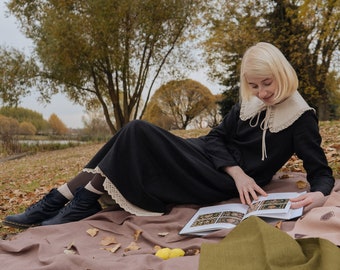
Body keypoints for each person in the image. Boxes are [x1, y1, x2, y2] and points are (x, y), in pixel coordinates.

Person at [3, 42, 335, 229]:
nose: (261, 93)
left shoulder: (300, 117)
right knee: (133, 135)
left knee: (136, 131)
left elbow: (320, 171)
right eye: (253, 85)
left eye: (268, 84)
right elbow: (216, 137)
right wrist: (237, 171)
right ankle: (65, 199)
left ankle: (70, 201)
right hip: (214, 161)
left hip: (214, 180)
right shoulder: (246, 102)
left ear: (282, 75)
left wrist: (319, 195)